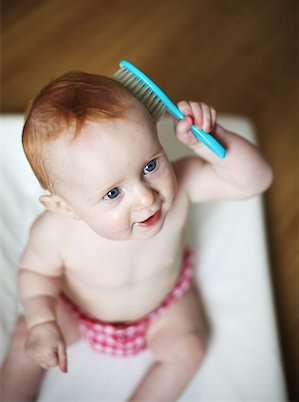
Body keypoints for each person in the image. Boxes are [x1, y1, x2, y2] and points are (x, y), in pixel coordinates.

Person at [0, 71, 273, 401]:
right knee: (25, 335)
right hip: (77, 311)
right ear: (64, 206)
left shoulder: (183, 184)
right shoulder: (54, 231)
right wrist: (43, 322)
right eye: (113, 193)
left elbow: (255, 181)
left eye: (150, 166)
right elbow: (35, 272)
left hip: (163, 305)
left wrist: (214, 142)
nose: (146, 198)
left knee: (188, 348)